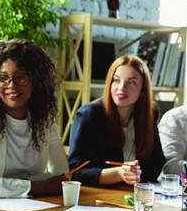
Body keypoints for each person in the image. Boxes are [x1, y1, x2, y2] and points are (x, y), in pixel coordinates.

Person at [0, 40, 69, 197]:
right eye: (3, 78)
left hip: (35, 207)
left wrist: (6, 186)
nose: (11, 85)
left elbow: (62, 175)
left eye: (21, 77)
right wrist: (37, 186)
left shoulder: (43, 116)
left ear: (36, 80)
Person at [68, 55, 165, 186]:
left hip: (132, 195)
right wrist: (119, 174)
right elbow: (75, 172)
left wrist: (135, 173)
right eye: (116, 80)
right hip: (98, 196)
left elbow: (155, 166)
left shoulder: (148, 114)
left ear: (143, 90)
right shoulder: (89, 115)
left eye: (131, 82)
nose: (121, 87)